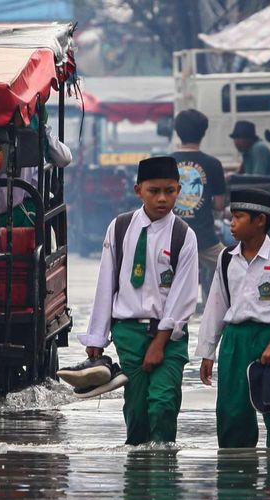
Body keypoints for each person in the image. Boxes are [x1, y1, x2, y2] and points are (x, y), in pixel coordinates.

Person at [79, 156, 199, 445]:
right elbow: (106, 284)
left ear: (179, 190)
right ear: (137, 190)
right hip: (128, 332)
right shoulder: (120, 228)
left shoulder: (184, 235)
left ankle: (164, 475)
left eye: (170, 191)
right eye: (153, 191)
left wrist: (159, 343)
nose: (162, 199)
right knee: (136, 409)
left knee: (163, 403)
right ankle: (138, 477)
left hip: (169, 336)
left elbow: (183, 296)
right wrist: (97, 336)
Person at [197, 189, 270, 448]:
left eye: (239, 217)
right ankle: (235, 478)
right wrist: (207, 352)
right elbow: (216, 307)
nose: (231, 223)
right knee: (232, 411)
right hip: (234, 341)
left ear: (260, 221)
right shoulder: (226, 259)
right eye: (231, 217)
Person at [170, 109, 227, 305]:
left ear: (177, 132)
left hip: (170, 238)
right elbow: (220, 205)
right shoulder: (213, 164)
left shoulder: (167, 162)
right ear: (204, 133)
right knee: (232, 268)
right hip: (205, 238)